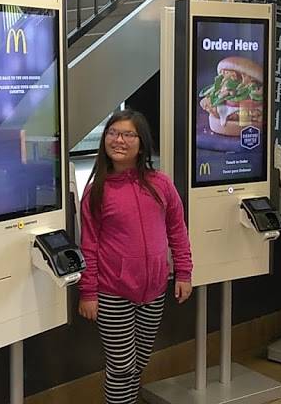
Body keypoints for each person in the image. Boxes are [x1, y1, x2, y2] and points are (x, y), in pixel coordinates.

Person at [78, 109, 193, 404]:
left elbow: (177, 230)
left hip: (154, 291)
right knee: (121, 367)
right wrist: (88, 292)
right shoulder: (95, 192)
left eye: (128, 134)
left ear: (141, 143)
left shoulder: (161, 184)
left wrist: (183, 272)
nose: (119, 140)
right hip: (112, 292)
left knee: (138, 364)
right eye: (113, 133)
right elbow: (88, 245)